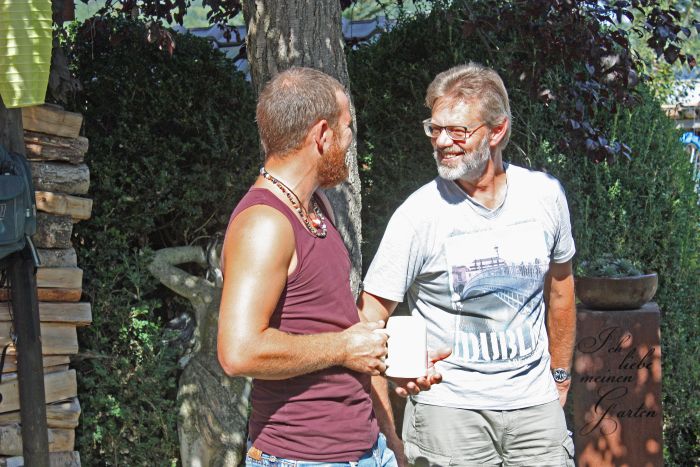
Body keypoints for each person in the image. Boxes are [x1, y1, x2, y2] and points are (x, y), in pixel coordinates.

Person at [359, 63, 577, 466]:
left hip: (535, 409)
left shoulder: (545, 196)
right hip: (448, 414)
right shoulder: (418, 215)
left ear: (497, 131)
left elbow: (561, 288)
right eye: (435, 129)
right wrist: (393, 398)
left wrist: (560, 376)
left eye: (457, 131)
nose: (442, 142)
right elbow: (368, 318)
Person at [217, 67, 397, 467]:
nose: (350, 142)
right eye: (347, 128)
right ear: (322, 134)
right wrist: (344, 347)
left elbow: (332, 323)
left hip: (366, 450)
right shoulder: (264, 223)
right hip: (301, 458)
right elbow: (238, 352)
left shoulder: (317, 207)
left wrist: (392, 357)